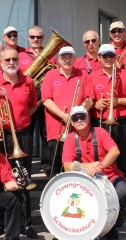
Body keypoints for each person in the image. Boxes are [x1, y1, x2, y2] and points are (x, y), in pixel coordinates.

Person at [0, 47, 38, 238]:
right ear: (1, 62)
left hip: (23, 135)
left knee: (24, 177)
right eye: (7, 60)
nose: (11, 62)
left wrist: (19, 123)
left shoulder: (27, 81)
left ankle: (25, 224)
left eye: (14, 59)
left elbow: (33, 106)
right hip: (1, 136)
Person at [62, 105, 126, 240]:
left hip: (110, 177)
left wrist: (100, 167)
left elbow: (115, 151)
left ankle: (113, 222)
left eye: (82, 117)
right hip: (87, 181)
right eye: (75, 118)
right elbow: (67, 166)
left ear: (88, 118)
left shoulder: (100, 132)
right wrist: (90, 165)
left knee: (122, 190)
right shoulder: (69, 139)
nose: (79, 120)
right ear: (72, 123)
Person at [41, 46, 94, 177]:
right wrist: (64, 116)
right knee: (56, 169)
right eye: (64, 57)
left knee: (78, 168)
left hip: (79, 130)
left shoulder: (83, 74)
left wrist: (77, 115)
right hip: (56, 130)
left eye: (70, 57)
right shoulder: (50, 75)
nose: (67, 60)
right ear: (59, 59)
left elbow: (90, 99)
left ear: (75, 59)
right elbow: (46, 100)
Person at [18, 25, 57, 175]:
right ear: (28, 38)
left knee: (45, 134)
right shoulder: (21, 55)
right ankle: (25, 165)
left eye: (39, 37)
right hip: (27, 101)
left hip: (44, 101)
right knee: (27, 133)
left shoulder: (51, 55)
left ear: (43, 39)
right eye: (33, 37)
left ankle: (47, 166)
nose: (35, 40)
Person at [89, 44, 126, 177]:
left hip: (122, 121)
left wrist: (119, 101)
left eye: (111, 56)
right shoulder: (92, 76)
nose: (108, 58)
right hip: (100, 121)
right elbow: (87, 99)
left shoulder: (124, 74)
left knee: (123, 156)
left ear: (115, 57)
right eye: (105, 56)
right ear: (99, 57)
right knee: (101, 155)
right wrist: (95, 105)